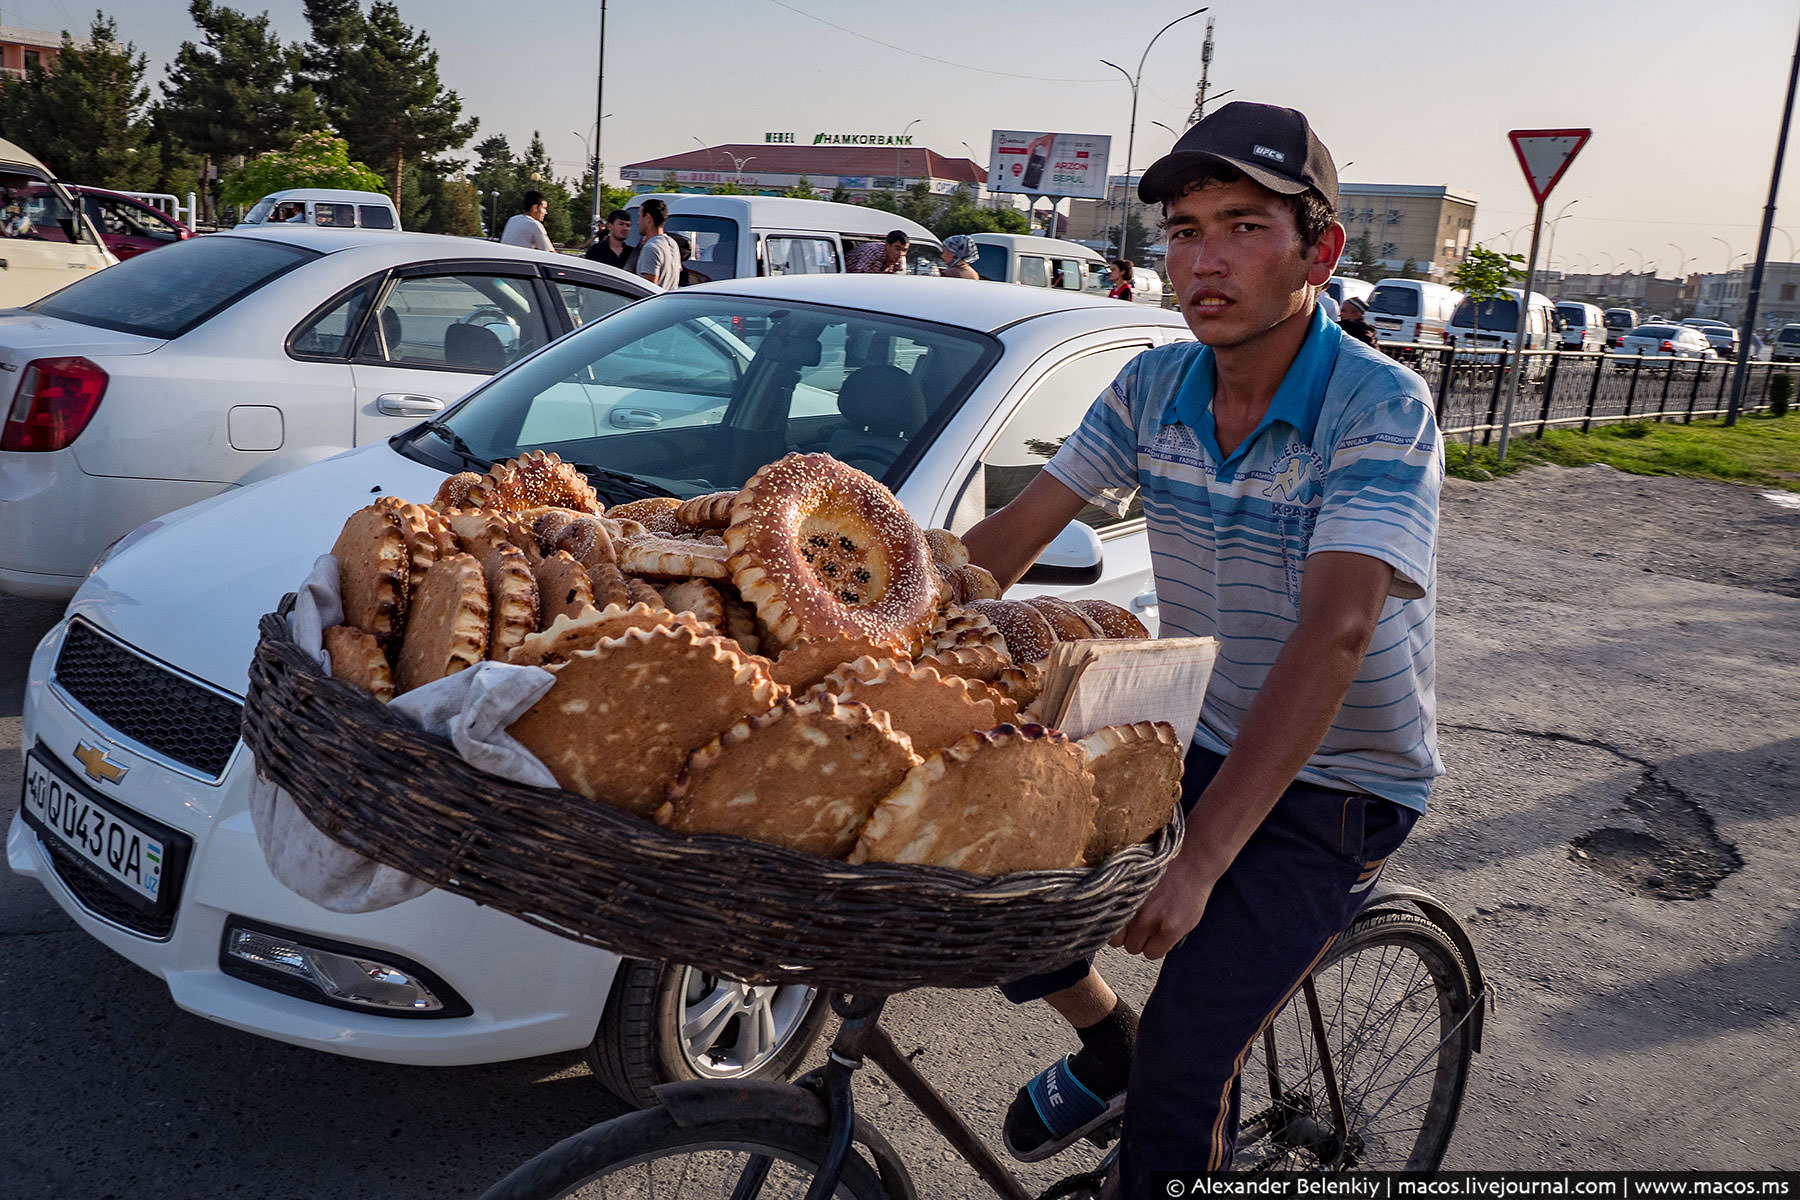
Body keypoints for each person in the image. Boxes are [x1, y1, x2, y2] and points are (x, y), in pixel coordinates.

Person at [961, 100, 1443, 1189]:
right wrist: (876, 621)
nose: (1204, 260)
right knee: (985, 867)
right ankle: (1107, 1041)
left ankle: (1156, 1069)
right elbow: (1009, 539)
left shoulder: (1380, 410)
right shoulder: (1151, 386)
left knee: (1188, 1075)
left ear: (1319, 249)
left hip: (1338, 783)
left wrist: (1202, 861)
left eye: (1242, 225)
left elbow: (1337, 633)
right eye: (1184, 230)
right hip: (1198, 734)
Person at [634, 197, 681, 290]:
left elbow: (649, 289)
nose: (637, 222)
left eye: (639, 216)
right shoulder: (672, 244)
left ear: (648, 218)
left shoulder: (651, 248)